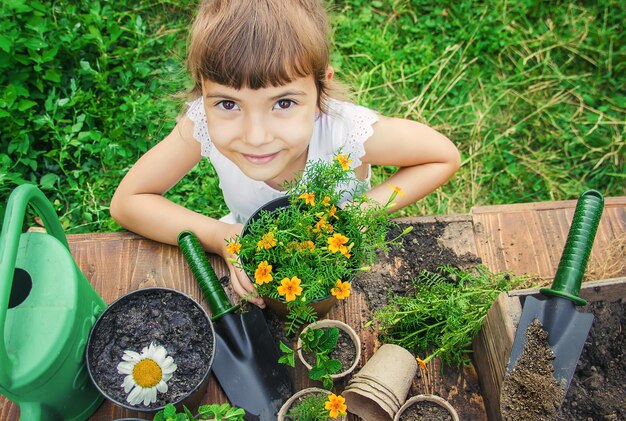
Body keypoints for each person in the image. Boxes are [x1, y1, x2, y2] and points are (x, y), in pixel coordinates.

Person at [110, 0, 461, 308]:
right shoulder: (200, 124)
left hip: (338, 262)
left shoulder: (344, 132)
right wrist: (222, 237)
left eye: (284, 102)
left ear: (320, 88)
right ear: (202, 90)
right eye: (228, 103)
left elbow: (442, 156)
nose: (256, 136)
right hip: (254, 247)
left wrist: (355, 213)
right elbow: (128, 201)